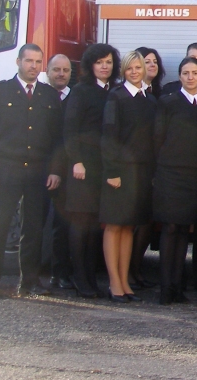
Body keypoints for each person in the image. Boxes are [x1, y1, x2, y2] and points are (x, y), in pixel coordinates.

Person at [0, 44, 63, 299]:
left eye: (38, 62)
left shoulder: (48, 95)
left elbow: (57, 138)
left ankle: (30, 282)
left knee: (34, 229)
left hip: (37, 171)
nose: (33, 66)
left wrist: (55, 170)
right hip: (5, 171)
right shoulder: (0, 91)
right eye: (29, 61)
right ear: (18, 62)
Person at [153, 56, 197, 304]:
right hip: (170, 174)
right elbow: (157, 138)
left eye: (195, 73)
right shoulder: (168, 103)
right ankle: (166, 288)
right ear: (179, 77)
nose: (190, 77)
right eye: (185, 73)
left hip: (196, 176)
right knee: (170, 229)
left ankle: (178, 286)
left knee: (185, 231)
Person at [100, 51, 157, 303]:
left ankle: (125, 282)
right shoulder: (116, 97)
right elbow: (109, 136)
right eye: (129, 68)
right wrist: (112, 172)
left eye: (138, 67)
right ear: (123, 71)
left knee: (128, 227)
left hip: (141, 172)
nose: (134, 72)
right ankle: (114, 283)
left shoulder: (149, 99)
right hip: (119, 173)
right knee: (115, 226)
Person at [64, 44, 119, 298]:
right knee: (80, 223)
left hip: (103, 167)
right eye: (99, 62)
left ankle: (91, 279)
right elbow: (70, 129)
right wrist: (76, 161)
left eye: (108, 62)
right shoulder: (81, 91)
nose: (104, 66)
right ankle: (79, 278)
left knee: (96, 225)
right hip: (82, 166)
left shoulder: (114, 92)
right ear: (90, 65)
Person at [130, 46, 165, 290]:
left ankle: (137, 267)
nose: (151, 65)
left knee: (146, 223)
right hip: (130, 168)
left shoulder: (160, 95)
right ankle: (126, 271)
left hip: (153, 168)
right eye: (146, 61)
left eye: (154, 61)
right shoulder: (123, 95)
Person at [44, 54, 74, 290]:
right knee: (34, 224)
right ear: (48, 71)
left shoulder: (74, 98)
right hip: (36, 168)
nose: (61, 74)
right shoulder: (38, 96)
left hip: (64, 172)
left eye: (65, 70)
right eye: (56, 69)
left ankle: (60, 273)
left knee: (61, 225)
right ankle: (30, 276)